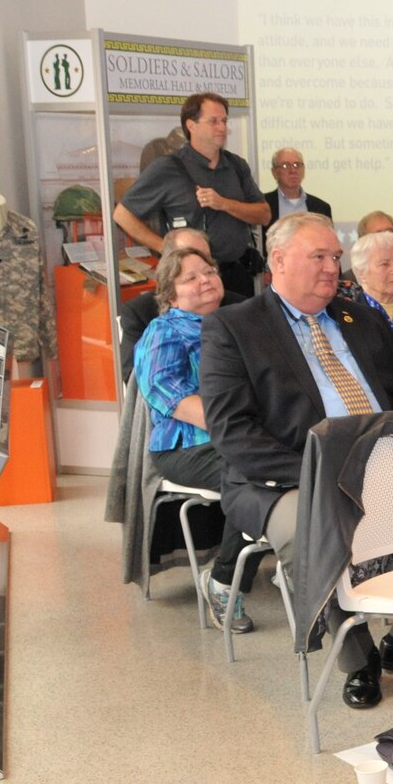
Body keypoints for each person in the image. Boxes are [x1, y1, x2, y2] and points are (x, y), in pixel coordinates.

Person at [199, 213, 393, 709]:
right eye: (318, 256)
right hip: (284, 477)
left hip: (380, 460)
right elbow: (233, 432)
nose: (331, 268)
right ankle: (357, 659)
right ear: (277, 260)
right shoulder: (234, 327)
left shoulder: (359, 317)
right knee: (312, 526)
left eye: (335, 258)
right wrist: (319, 474)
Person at [133, 246, 261, 632]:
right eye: (191, 277)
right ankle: (224, 580)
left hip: (244, 437)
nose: (205, 280)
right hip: (186, 445)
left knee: (296, 464)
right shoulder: (164, 331)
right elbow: (164, 392)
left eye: (210, 271)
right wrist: (241, 425)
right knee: (256, 475)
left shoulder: (238, 322)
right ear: (170, 293)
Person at [113, 92, 269, 304]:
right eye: (213, 121)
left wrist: (223, 204)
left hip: (236, 277)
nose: (222, 127)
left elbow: (263, 214)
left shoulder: (236, 165)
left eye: (224, 121)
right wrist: (166, 249)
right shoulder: (168, 167)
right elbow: (122, 215)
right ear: (191, 125)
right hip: (191, 283)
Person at [119, 227, 213, 378]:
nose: (204, 278)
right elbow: (133, 376)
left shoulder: (238, 306)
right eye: (187, 257)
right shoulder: (141, 313)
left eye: (207, 260)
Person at [265, 148, 331, 221]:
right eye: (285, 165)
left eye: (297, 165)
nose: (292, 171)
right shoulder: (263, 205)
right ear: (274, 172)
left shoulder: (322, 207)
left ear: (303, 170)